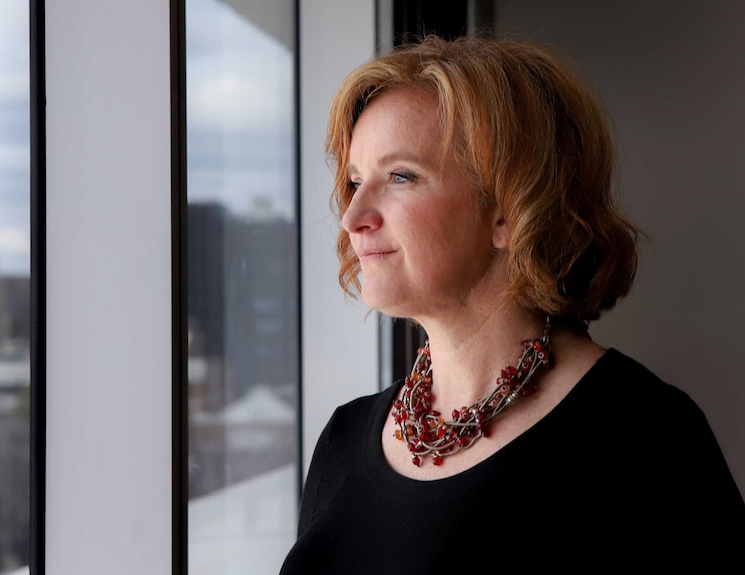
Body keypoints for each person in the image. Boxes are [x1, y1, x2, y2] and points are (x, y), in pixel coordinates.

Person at [280, 35, 745, 572]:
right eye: (356, 181)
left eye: (400, 176)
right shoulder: (341, 439)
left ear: (511, 209)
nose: (353, 215)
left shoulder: (644, 439)